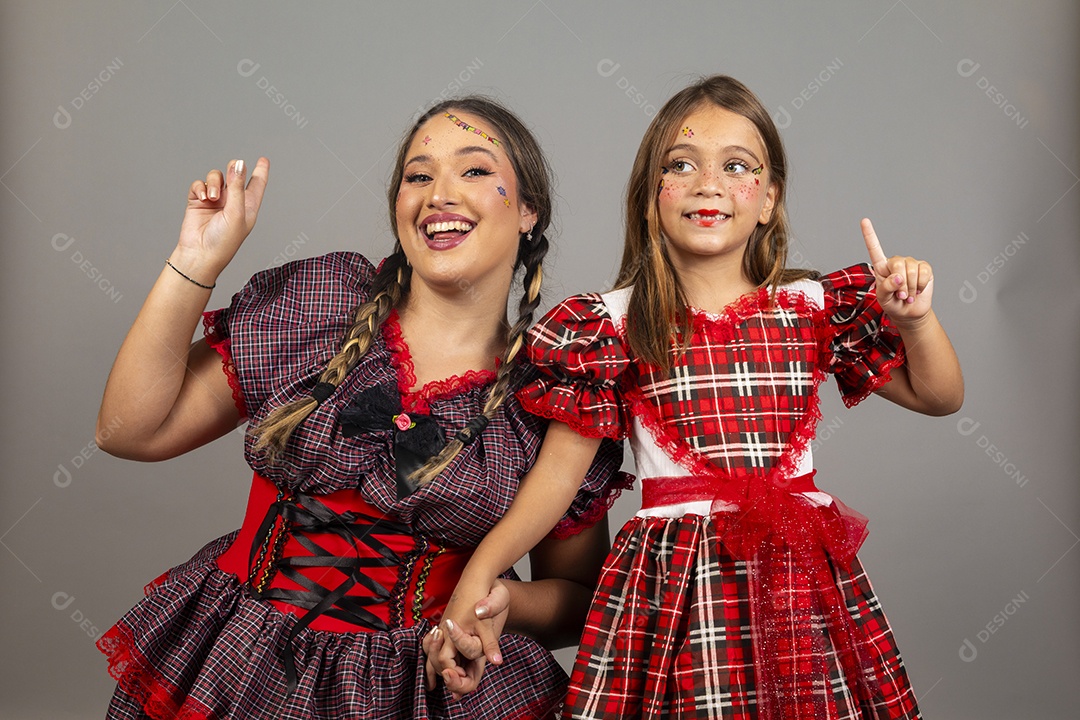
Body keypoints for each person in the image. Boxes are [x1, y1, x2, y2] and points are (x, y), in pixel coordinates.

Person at [432, 75, 963, 719]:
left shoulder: (812, 308)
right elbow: (556, 481)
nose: (708, 183)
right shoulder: (610, 327)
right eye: (681, 165)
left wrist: (914, 321)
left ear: (768, 199)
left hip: (798, 584)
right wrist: (479, 576)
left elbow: (940, 396)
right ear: (649, 197)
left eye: (736, 167)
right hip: (674, 589)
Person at [93, 96, 627, 720]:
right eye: (418, 176)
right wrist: (195, 260)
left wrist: (496, 599)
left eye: (475, 170)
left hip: (422, 694)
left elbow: (582, 600)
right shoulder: (319, 309)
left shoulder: (554, 394)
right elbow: (127, 431)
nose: (439, 194)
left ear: (528, 209)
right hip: (240, 669)